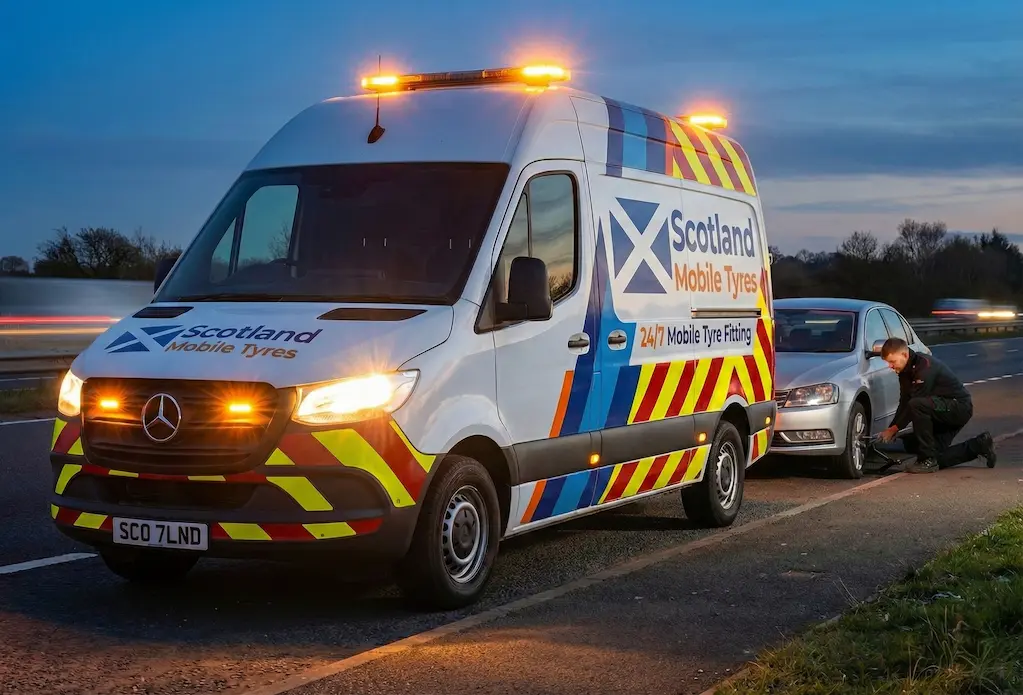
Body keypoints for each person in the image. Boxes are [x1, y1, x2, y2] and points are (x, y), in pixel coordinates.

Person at [876, 337, 996, 473]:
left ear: (904, 354)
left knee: (917, 405)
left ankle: (927, 460)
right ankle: (979, 445)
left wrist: (894, 429)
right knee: (927, 451)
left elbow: (914, 404)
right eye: (888, 363)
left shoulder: (924, 367)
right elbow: (904, 402)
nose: (890, 366)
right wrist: (893, 427)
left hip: (958, 407)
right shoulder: (905, 371)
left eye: (892, 362)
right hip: (939, 410)